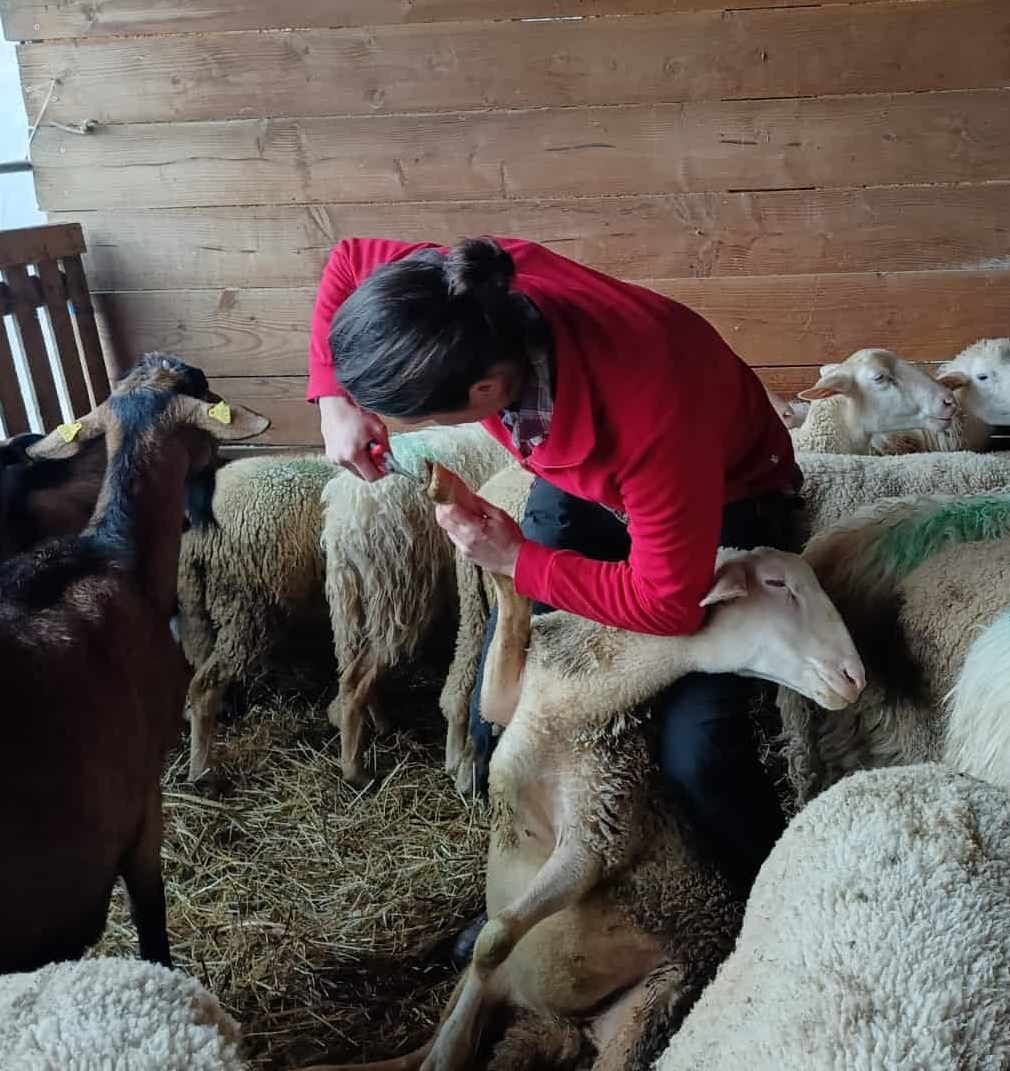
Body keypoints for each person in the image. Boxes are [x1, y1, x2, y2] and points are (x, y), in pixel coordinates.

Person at [307, 235, 801, 962]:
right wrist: (333, 398)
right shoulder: (465, 289)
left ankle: (769, 920)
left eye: (428, 418)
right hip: (579, 464)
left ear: (482, 394)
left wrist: (519, 559)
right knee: (506, 692)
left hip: (717, 490)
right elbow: (349, 259)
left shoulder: (651, 399)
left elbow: (671, 604)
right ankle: (523, 888)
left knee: (699, 747)